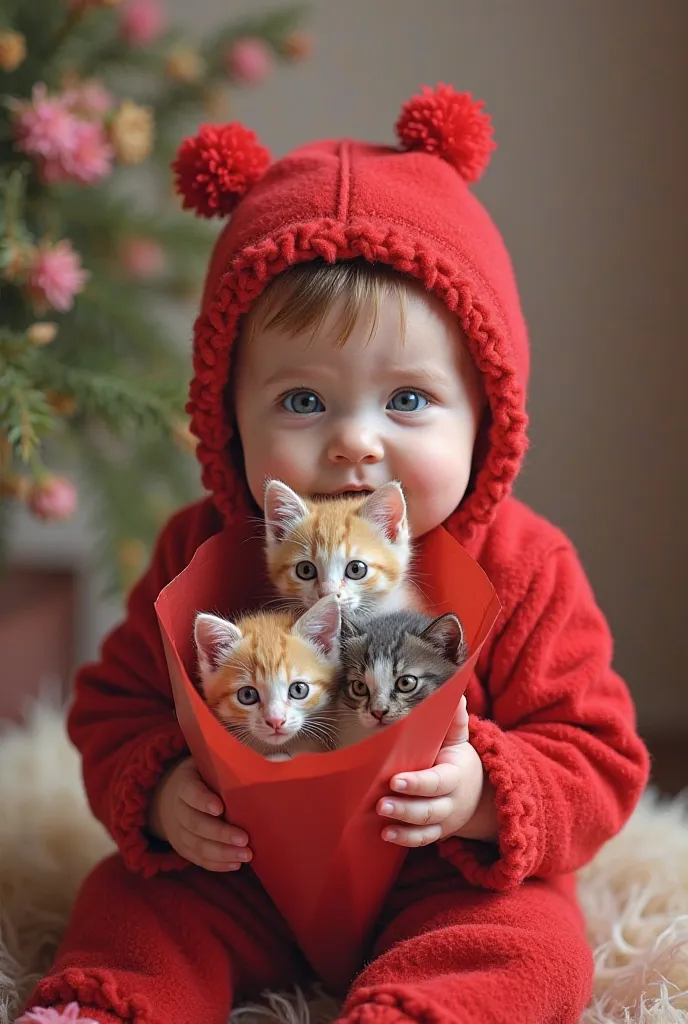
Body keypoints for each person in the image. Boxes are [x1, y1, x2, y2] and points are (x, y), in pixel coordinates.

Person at [19, 85, 649, 1024]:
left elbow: (599, 753)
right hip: (246, 874)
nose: (357, 445)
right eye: (304, 402)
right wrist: (158, 794)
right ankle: (118, 1005)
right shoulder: (204, 551)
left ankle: (414, 1010)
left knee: (531, 944)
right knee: (129, 899)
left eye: (407, 401)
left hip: (440, 879)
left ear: (487, 416)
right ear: (229, 415)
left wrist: (488, 793)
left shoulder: (527, 567)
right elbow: (115, 705)